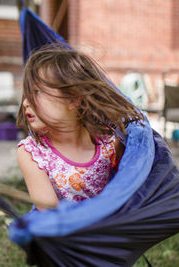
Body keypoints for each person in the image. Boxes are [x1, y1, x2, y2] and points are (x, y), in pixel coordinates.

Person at [16, 45, 145, 210]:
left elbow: (127, 194)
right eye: (26, 93)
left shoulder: (110, 145)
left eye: (38, 92)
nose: (26, 102)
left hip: (108, 230)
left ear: (73, 100)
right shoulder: (33, 153)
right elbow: (51, 215)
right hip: (61, 232)